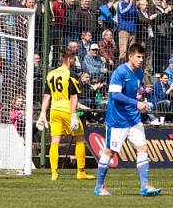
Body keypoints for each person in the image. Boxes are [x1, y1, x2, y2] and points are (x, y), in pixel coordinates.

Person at [93, 43, 162, 197]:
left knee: (142, 148)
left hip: (133, 118)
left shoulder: (139, 73)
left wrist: (140, 102)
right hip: (117, 120)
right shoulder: (119, 72)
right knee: (109, 151)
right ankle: (99, 186)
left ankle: (145, 186)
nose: (141, 60)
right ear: (130, 56)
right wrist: (136, 103)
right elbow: (115, 95)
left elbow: (132, 95)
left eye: (142, 57)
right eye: (138, 57)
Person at [36, 49, 94, 181]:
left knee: (55, 141)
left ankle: (54, 173)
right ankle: (81, 172)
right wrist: (74, 115)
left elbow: (46, 96)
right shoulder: (71, 74)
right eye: (73, 59)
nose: (74, 61)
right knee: (80, 138)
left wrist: (43, 113)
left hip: (54, 111)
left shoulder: (51, 74)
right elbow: (74, 97)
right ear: (69, 59)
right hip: (66, 110)